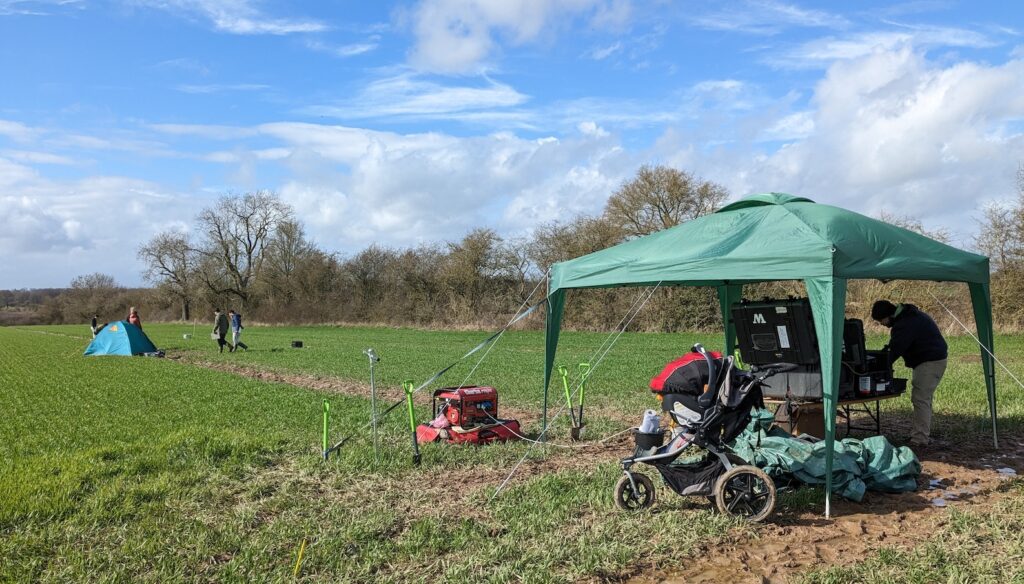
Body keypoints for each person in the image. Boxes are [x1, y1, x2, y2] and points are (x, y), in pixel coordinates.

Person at [871, 300, 948, 448]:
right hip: (932, 359)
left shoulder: (905, 324)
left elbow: (896, 349)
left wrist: (878, 365)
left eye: (881, 320)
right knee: (923, 399)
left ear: (889, 315)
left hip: (930, 362)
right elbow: (896, 345)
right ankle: (920, 434)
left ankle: (920, 439)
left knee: (920, 399)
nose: (882, 324)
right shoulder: (910, 316)